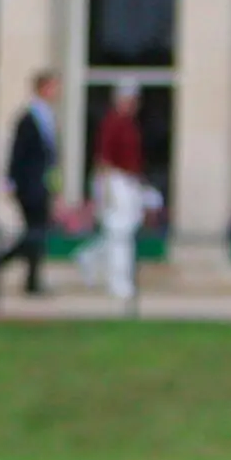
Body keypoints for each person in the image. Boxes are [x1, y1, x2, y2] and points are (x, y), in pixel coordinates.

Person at [0, 71, 58, 297]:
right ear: (43, 88)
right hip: (29, 186)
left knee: (38, 233)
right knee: (34, 233)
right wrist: (11, 183)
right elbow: (17, 154)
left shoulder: (49, 117)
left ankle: (32, 280)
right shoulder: (28, 119)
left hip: (43, 184)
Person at [91, 87, 150, 304]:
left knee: (125, 230)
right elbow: (104, 158)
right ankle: (117, 280)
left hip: (129, 181)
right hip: (117, 180)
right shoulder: (112, 123)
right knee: (118, 231)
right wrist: (105, 188)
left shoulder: (130, 125)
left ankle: (99, 266)